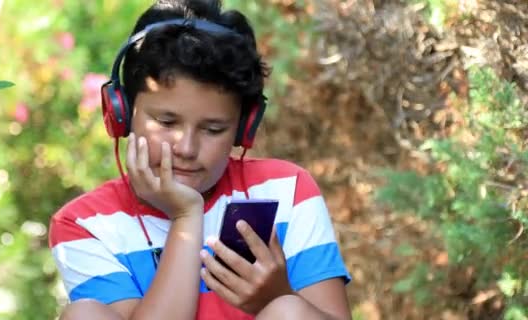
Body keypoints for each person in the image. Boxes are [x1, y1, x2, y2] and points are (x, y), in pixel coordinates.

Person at [48, 0, 352, 319]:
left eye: (213, 129)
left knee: (289, 310)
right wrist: (185, 215)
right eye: (166, 122)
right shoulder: (85, 223)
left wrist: (276, 295)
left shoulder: (286, 190)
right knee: (84, 314)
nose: (186, 148)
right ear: (121, 113)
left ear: (243, 128)